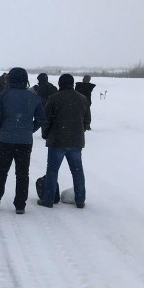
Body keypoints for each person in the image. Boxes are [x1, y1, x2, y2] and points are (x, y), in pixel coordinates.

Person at [0, 67, 45, 214]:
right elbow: (41, 118)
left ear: (10, 79)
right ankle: (20, 205)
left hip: (6, 141)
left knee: (1, 172)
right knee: (22, 174)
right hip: (25, 142)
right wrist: (29, 129)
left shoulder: (4, 95)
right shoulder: (33, 97)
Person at [38, 74, 90, 208]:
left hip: (57, 140)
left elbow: (46, 120)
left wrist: (46, 134)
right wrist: (78, 132)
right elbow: (87, 120)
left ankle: (48, 200)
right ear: (72, 84)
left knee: (52, 171)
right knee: (77, 172)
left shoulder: (54, 98)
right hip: (76, 142)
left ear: (60, 83)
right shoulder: (83, 99)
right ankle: (80, 200)